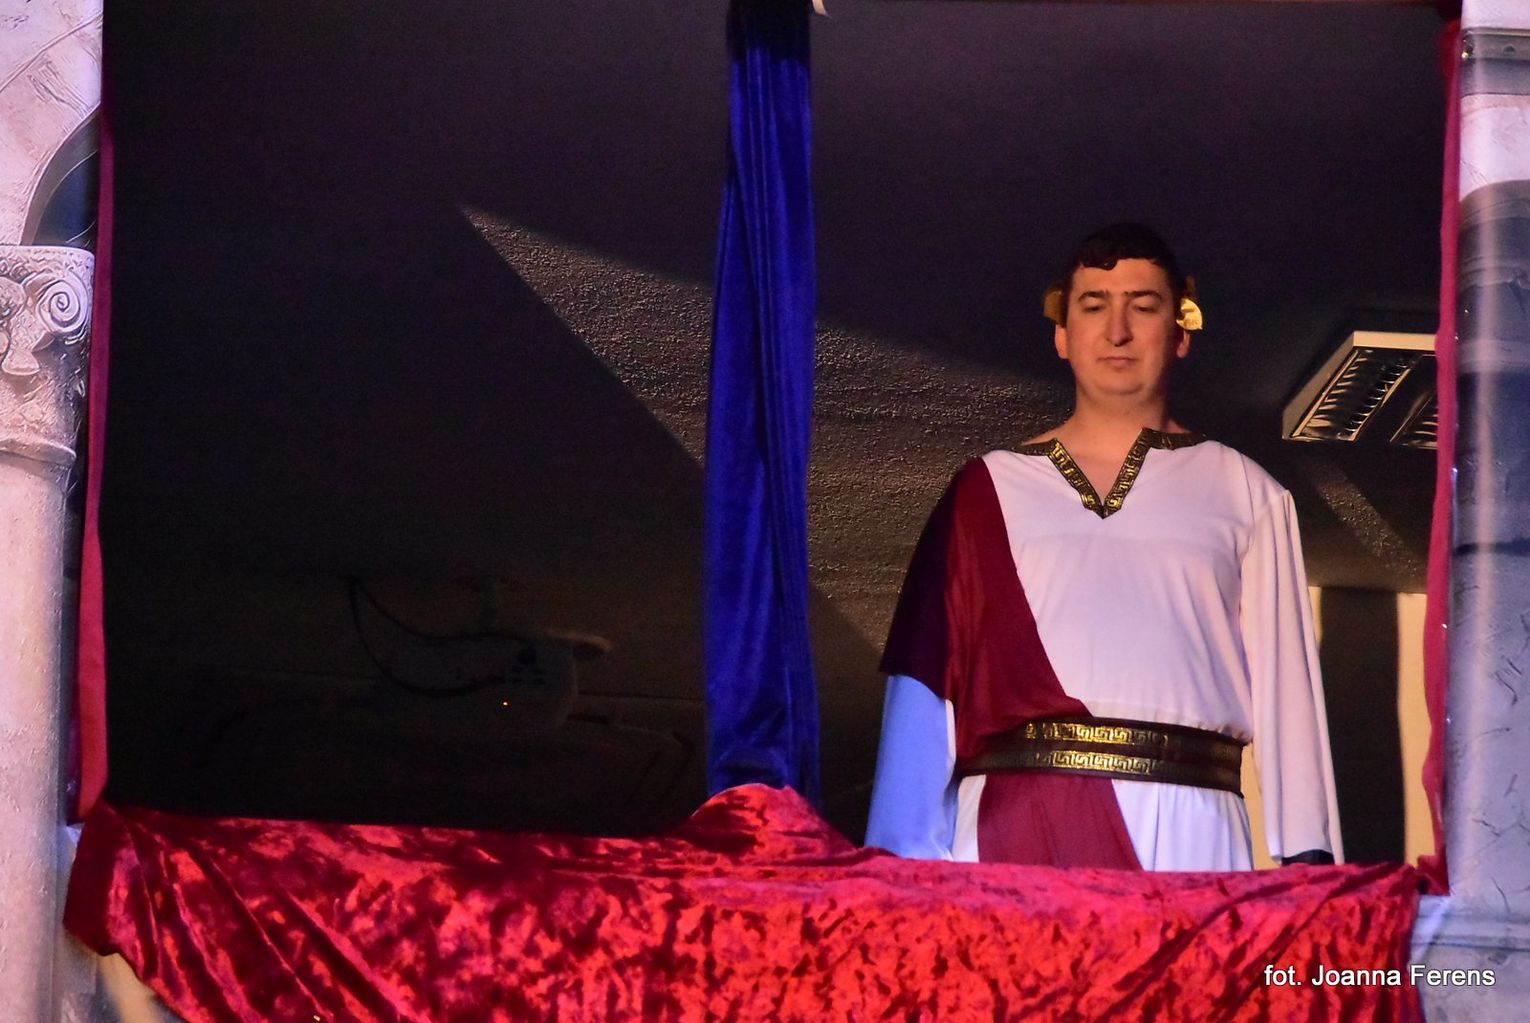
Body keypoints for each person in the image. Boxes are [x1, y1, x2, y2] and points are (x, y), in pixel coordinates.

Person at [864, 223, 1341, 871]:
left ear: (1180, 332)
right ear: (1063, 335)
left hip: (1190, 831)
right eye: (1094, 306)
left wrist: (1308, 862)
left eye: (1142, 306)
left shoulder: (1247, 492)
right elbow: (925, 684)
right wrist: (898, 867)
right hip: (1012, 831)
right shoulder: (985, 489)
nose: (1118, 331)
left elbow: (1290, 694)